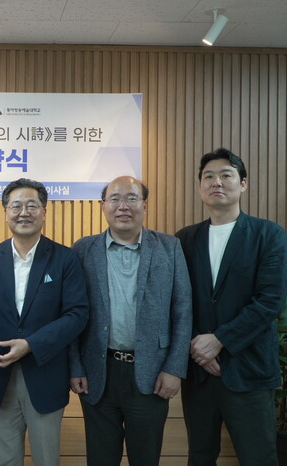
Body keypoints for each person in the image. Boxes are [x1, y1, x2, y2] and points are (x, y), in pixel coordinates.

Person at [176, 148, 287, 465]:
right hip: (199, 373)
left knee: (258, 457)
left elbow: (269, 301)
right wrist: (198, 347)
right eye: (208, 176)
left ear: (243, 184)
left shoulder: (268, 235)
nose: (216, 182)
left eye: (226, 175)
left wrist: (220, 340)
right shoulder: (184, 239)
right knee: (200, 456)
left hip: (248, 369)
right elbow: (176, 301)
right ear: (200, 186)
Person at [69, 176, 192, 465]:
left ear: (144, 205)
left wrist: (174, 368)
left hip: (151, 373)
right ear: (103, 206)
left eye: (132, 198)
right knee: (100, 459)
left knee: (145, 458)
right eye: (115, 199)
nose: (123, 206)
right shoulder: (83, 249)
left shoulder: (169, 247)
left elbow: (183, 310)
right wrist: (75, 366)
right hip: (98, 372)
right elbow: (72, 313)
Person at [0, 178, 89, 465]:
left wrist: (30, 344)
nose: (23, 213)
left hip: (45, 373)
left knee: (46, 459)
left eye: (31, 206)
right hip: (0, 376)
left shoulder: (65, 258)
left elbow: (77, 314)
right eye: (16, 206)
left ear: (44, 212)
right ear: (5, 212)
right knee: (3, 460)